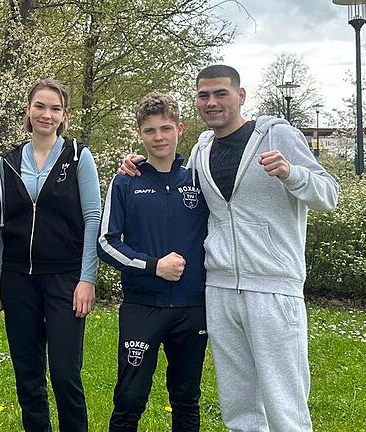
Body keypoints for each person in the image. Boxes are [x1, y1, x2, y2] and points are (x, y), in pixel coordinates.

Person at [121, 65, 339, 432]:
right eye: (204, 95)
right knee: (238, 404)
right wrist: (139, 164)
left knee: (284, 401)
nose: (212, 102)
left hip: (272, 286)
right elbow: (176, 188)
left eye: (221, 93)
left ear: (240, 96)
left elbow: (328, 194)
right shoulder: (202, 149)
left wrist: (291, 173)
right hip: (219, 289)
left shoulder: (277, 136)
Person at [0, 78, 100, 431]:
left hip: (65, 277)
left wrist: (87, 279)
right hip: (19, 278)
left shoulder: (79, 155)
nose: (46, 114)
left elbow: (93, 217)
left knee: (66, 374)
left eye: (55, 108)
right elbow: (3, 224)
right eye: (40, 106)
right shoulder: (6, 162)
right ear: (29, 110)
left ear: (63, 115)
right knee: (28, 376)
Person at [98, 92, 209, 432]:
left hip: (192, 307)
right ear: (139, 133)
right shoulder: (125, 181)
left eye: (165, 129)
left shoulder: (200, 180)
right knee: (130, 399)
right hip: (142, 306)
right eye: (150, 131)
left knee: (186, 398)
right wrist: (152, 266)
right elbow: (105, 243)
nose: (159, 137)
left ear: (180, 129)